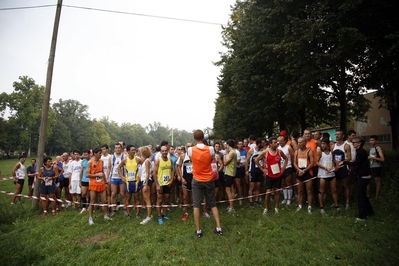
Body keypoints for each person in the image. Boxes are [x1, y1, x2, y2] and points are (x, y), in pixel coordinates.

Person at [188, 129, 222, 238]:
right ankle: (219, 228)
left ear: (194, 138)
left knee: (196, 205)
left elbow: (191, 159)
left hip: (197, 179)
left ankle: (198, 230)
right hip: (209, 179)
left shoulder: (190, 150)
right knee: (212, 203)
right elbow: (212, 159)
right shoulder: (211, 149)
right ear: (204, 137)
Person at [341, 137, 374, 221]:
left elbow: (357, 163)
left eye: (354, 142)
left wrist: (345, 162)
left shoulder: (361, 152)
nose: (353, 144)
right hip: (361, 175)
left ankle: (362, 216)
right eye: (352, 142)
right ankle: (370, 211)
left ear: (359, 144)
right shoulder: (358, 151)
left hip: (363, 176)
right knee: (363, 195)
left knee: (361, 196)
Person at [255, 137, 288, 214]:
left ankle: (276, 207)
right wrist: (262, 169)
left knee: (277, 191)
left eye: (277, 142)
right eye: (275, 142)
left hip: (278, 174)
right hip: (269, 175)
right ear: (270, 144)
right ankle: (266, 208)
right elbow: (256, 160)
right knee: (268, 192)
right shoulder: (265, 152)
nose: (277, 143)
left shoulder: (279, 152)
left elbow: (286, 159)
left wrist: (283, 169)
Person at [86, 147, 112, 225]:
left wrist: (106, 182)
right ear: (94, 153)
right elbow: (87, 174)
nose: (101, 154)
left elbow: (102, 172)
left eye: (101, 153)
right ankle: (90, 218)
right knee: (92, 201)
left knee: (104, 200)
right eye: (99, 153)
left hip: (101, 183)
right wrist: (97, 174)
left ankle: (105, 215)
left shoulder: (101, 161)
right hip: (93, 184)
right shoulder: (90, 162)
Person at [118, 145, 143, 218]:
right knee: (128, 198)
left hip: (136, 181)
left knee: (137, 197)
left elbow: (144, 166)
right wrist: (122, 177)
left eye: (134, 150)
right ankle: (129, 214)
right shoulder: (125, 160)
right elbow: (119, 167)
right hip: (128, 182)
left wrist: (141, 176)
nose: (134, 151)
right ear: (128, 151)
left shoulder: (138, 159)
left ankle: (137, 214)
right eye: (132, 150)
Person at [316, 138, 339, 214]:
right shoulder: (319, 152)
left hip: (331, 174)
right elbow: (316, 162)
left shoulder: (331, 152)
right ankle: (321, 207)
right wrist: (325, 168)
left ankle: (336, 205)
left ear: (328, 144)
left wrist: (333, 167)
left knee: (334, 190)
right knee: (321, 190)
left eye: (324, 144)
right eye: (321, 144)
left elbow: (332, 161)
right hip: (323, 174)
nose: (322, 145)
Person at [153, 145, 174, 225]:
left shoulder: (170, 160)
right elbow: (154, 173)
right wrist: (157, 185)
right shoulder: (158, 160)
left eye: (166, 151)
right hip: (161, 184)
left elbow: (172, 170)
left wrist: (171, 180)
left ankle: (164, 214)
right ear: (160, 152)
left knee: (167, 199)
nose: (164, 152)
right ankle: (159, 216)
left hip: (168, 183)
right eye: (163, 151)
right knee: (160, 200)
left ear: (167, 151)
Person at [293, 137, 314, 213]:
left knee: (309, 190)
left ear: (305, 143)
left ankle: (309, 206)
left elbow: (312, 163)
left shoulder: (309, 151)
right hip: (299, 172)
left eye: (301, 142)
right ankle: (300, 205)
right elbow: (294, 162)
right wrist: (298, 170)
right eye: (298, 142)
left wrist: (304, 170)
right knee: (299, 190)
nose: (299, 144)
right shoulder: (296, 152)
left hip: (307, 172)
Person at [333, 129, 352, 209]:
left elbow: (349, 157)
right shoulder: (333, 145)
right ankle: (337, 201)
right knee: (336, 186)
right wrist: (334, 162)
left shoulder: (346, 145)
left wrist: (342, 162)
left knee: (345, 185)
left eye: (339, 134)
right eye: (336, 134)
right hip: (336, 168)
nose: (337, 136)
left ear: (343, 136)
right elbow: (332, 156)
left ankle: (347, 202)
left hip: (343, 168)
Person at [176, 143, 193, 221]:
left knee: (193, 196)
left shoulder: (195, 156)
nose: (189, 148)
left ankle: (194, 211)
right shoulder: (183, 156)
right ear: (185, 148)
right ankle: (186, 212)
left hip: (194, 179)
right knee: (185, 196)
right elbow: (178, 166)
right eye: (188, 146)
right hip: (185, 178)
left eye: (190, 146)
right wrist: (180, 177)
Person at [139, 146, 154, 225]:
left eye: (141, 151)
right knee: (146, 198)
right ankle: (149, 214)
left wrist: (146, 184)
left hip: (146, 181)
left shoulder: (147, 161)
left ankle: (148, 216)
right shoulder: (146, 161)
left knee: (147, 199)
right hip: (144, 180)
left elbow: (148, 173)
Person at [246, 138, 264, 207]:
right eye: (262, 143)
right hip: (252, 171)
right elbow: (247, 160)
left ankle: (256, 201)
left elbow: (264, 161)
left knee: (258, 186)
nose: (263, 144)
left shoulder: (262, 151)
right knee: (252, 187)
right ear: (259, 144)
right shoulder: (251, 150)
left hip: (259, 170)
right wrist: (246, 170)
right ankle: (251, 202)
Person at [109, 143, 126, 215]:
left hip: (121, 177)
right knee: (113, 193)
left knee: (122, 194)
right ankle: (113, 209)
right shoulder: (111, 157)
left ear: (121, 148)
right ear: (114, 149)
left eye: (119, 148)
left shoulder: (124, 156)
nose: (117, 149)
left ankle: (125, 208)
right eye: (116, 148)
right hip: (114, 177)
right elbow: (109, 168)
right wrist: (107, 177)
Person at [278, 135, 295, 205]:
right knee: (283, 183)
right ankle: (285, 198)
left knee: (288, 183)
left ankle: (289, 198)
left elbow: (293, 157)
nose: (279, 142)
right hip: (280, 168)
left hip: (288, 167)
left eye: (281, 141)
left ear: (285, 141)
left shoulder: (289, 148)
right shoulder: (278, 148)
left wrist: (293, 166)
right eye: (279, 141)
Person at [367, 135, 385, 201]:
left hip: (376, 166)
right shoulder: (371, 148)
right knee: (368, 180)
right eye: (370, 140)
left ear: (376, 141)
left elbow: (382, 159)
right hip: (371, 166)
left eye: (373, 140)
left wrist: (373, 158)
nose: (371, 142)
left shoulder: (378, 148)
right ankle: (368, 195)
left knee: (377, 181)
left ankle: (376, 197)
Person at [223, 139, 237, 213]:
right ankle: (231, 205)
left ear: (228, 144)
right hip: (231, 172)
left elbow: (225, 163)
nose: (225, 146)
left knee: (228, 190)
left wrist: (225, 155)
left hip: (229, 173)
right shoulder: (232, 152)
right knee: (231, 190)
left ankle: (231, 207)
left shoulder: (232, 152)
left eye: (226, 144)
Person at [79, 150, 90, 214]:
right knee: (83, 193)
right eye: (84, 155)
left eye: (86, 154)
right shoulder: (83, 161)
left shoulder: (92, 161)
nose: (85, 156)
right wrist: (80, 181)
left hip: (91, 180)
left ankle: (89, 206)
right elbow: (81, 171)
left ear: (89, 154)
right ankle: (83, 207)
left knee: (90, 194)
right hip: (84, 179)